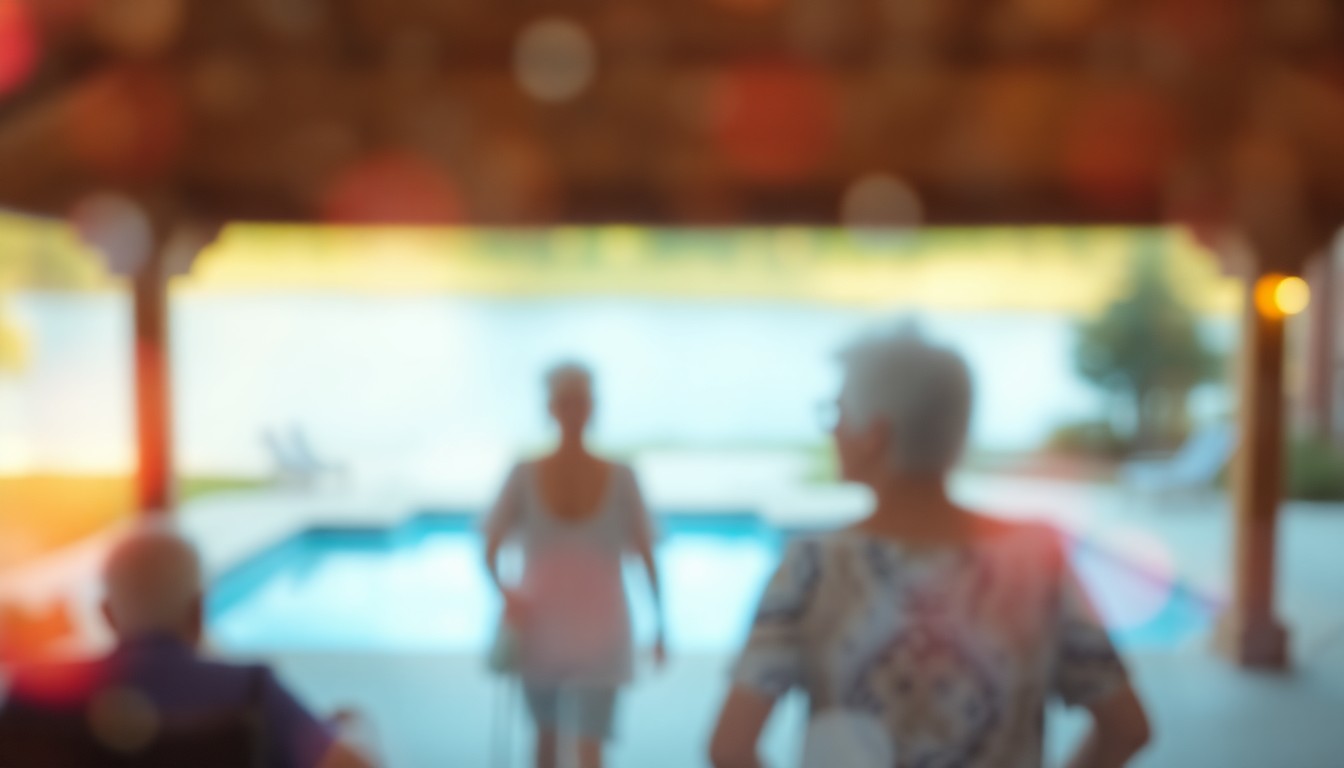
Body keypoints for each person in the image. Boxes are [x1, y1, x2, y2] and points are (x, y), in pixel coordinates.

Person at [710, 325, 1151, 768]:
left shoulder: (814, 566)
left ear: (874, 434)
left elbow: (729, 749)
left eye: (836, 413)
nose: (833, 430)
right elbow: (1127, 728)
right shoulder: (1036, 560)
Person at [0, 524, 376, 768]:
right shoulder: (252, 692)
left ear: (108, 615)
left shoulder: (29, 695)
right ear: (198, 612)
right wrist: (355, 733)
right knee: (354, 722)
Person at [484, 361, 665, 768]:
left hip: (599, 634)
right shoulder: (523, 474)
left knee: (586, 749)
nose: (572, 412)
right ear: (551, 407)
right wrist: (505, 595)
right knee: (548, 742)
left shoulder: (622, 477)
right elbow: (488, 549)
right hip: (540, 632)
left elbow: (648, 554)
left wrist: (662, 624)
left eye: (579, 402)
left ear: (592, 407)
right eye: (566, 402)